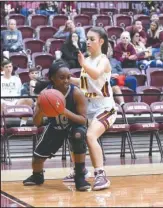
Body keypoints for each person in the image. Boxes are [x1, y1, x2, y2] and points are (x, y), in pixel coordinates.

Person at [23, 60, 91, 191]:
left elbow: (83, 120)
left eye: (68, 77)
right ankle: (37, 176)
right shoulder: (45, 95)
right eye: (62, 78)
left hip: (74, 125)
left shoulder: (76, 93)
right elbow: (37, 123)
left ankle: (80, 176)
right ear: (52, 78)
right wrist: (41, 111)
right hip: (55, 126)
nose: (66, 81)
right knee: (36, 160)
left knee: (78, 135)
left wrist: (64, 111)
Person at [69, 27, 117, 191]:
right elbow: (84, 83)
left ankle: (101, 175)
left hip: (105, 108)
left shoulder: (103, 59)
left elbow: (96, 75)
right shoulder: (87, 60)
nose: (87, 42)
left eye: (91, 39)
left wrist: (82, 64)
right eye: (87, 39)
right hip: (89, 108)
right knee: (75, 135)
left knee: (90, 136)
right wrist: (65, 78)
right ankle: (79, 170)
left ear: (101, 42)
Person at [1, 60, 33, 126]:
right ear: (3, 68)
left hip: (15, 101)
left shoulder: (17, 79)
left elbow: (19, 92)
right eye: (6, 67)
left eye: (10, 66)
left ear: (12, 67)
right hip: (2, 101)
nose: (8, 69)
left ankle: (23, 123)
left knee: (29, 100)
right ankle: (2, 124)